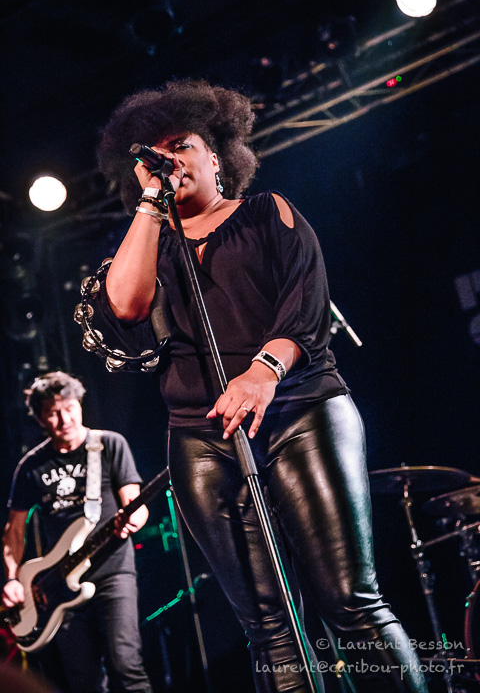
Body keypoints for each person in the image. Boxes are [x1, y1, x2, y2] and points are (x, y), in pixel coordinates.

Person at [95, 79, 428, 693]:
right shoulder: (152, 242)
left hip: (301, 411)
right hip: (202, 437)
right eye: (154, 153)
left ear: (216, 156)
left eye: (181, 145)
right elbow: (125, 305)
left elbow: (306, 308)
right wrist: (150, 204)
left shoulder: (267, 212)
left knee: (349, 602)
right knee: (270, 628)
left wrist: (261, 371)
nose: (169, 160)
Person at [1, 371, 153, 693]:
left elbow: (135, 503)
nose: (64, 419)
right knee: (83, 680)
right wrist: (12, 578)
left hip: (112, 572)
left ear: (80, 405)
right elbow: (14, 532)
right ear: (40, 419)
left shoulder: (110, 444)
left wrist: (134, 519)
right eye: (53, 413)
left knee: (126, 665)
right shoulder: (31, 465)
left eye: (70, 408)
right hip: (58, 586)